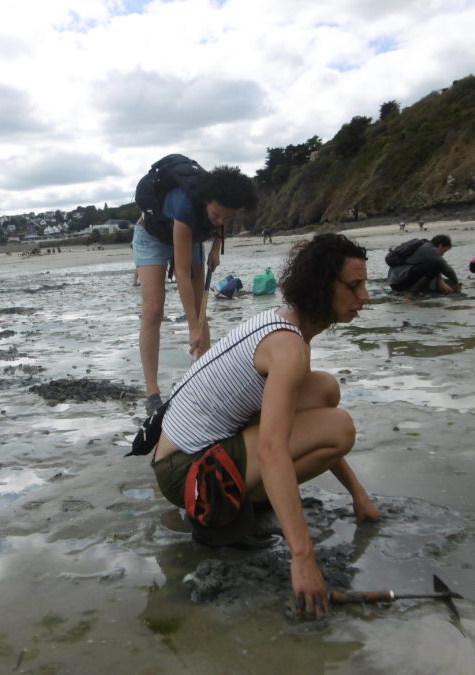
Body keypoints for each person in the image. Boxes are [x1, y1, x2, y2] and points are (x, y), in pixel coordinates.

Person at [150, 233, 380, 619]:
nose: (365, 296)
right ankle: (227, 515)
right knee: (339, 429)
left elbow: (290, 426)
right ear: (324, 287)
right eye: (355, 285)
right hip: (186, 474)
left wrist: (359, 494)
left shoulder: (282, 323)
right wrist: (302, 556)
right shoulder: (287, 347)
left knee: (324, 389)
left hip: (195, 454)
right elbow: (273, 449)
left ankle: (248, 499)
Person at [133, 165, 258, 416]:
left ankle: (205, 378)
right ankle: (152, 392)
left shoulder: (221, 206)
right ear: (205, 202)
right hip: (152, 236)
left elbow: (218, 224)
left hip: (191, 238)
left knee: (201, 306)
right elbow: (181, 273)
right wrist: (192, 327)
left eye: (228, 217)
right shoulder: (187, 207)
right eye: (216, 215)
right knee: (153, 309)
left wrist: (215, 248)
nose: (222, 221)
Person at [387, 234, 461, 294]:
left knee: (434, 266)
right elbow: (447, 269)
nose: (443, 254)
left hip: (394, 279)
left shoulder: (425, 245)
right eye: (444, 251)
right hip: (400, 282)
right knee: (436, 265)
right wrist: (456, 284)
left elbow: (435, 266)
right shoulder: (432, 251)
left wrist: (440, 281)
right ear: (440, 245)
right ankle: (413, 293)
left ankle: (415, 291)